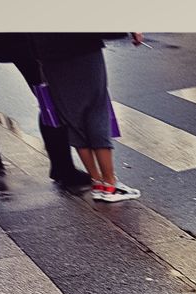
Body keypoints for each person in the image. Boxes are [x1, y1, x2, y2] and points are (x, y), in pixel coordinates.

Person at [30, 33, 145, 203]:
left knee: (72, 117)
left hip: (47, 52)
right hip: (81, 46)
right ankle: (110, 184)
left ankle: (97, 183)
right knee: (96, 109)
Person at [0, 33, 91, 191]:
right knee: (53, 98)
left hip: (24, 42)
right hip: (33, 42)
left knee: (50, 99)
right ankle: (64, 169)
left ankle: (62, 167)